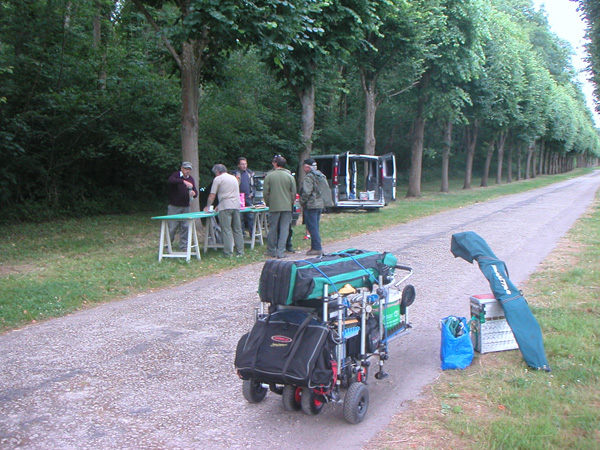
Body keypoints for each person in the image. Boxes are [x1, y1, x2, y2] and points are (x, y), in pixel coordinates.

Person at [204, 164, 245, 257]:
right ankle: (240, 252)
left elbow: (212, 195)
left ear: (217, 172)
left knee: (226, 230)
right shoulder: (234, 178)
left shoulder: (218, 179)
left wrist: (208, 206)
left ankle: (228, 252)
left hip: (225, 207)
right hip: (236, 205)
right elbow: (231, 193)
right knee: (237, 229)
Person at [263, 155, 296, 259]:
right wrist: (290, 202)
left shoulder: (269, 176)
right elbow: (293, 193)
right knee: (284, 229)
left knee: (272, 228)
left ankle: (271, 250)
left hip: (274, 206)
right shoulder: (290, 176)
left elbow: (265, 192)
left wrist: (268, 203)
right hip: (287, 206)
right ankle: (281, 252)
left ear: (275, 164)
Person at [300, 158, 332, 256]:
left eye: (304, 167)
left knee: (312, 227)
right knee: (315, 226)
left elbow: (306, 192)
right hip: (320, 204)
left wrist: (302, 201)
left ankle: (317, 248)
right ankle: (314, 247)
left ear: (307, 167)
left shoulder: (309, 178)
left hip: (312, 204)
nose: (303, 169)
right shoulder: (320, 175)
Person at [167, 161, 198, 251]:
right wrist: (183, 182)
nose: (187, 171)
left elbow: (196, 192)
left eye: (189, 169)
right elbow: (170, 181)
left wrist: (194, 193)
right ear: (182, 168)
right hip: (174, 205)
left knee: (185, 226)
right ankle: (168, 244)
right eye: (186, 169)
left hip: (186, 206)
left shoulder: (191, 179)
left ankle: (183, 246)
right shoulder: (176, 175)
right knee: (172, 226)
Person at [233, 157, 254, 236]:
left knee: (250, 216)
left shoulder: (250, 173)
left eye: (245, 164)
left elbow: (253, 185)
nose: (244, 166)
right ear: (238, 165)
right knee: (240, 217)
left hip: (248, 197)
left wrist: (252, 194)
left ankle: (252, 234)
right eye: (242, 164)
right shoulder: (235, 174)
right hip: (238, 197)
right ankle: (242, 234)